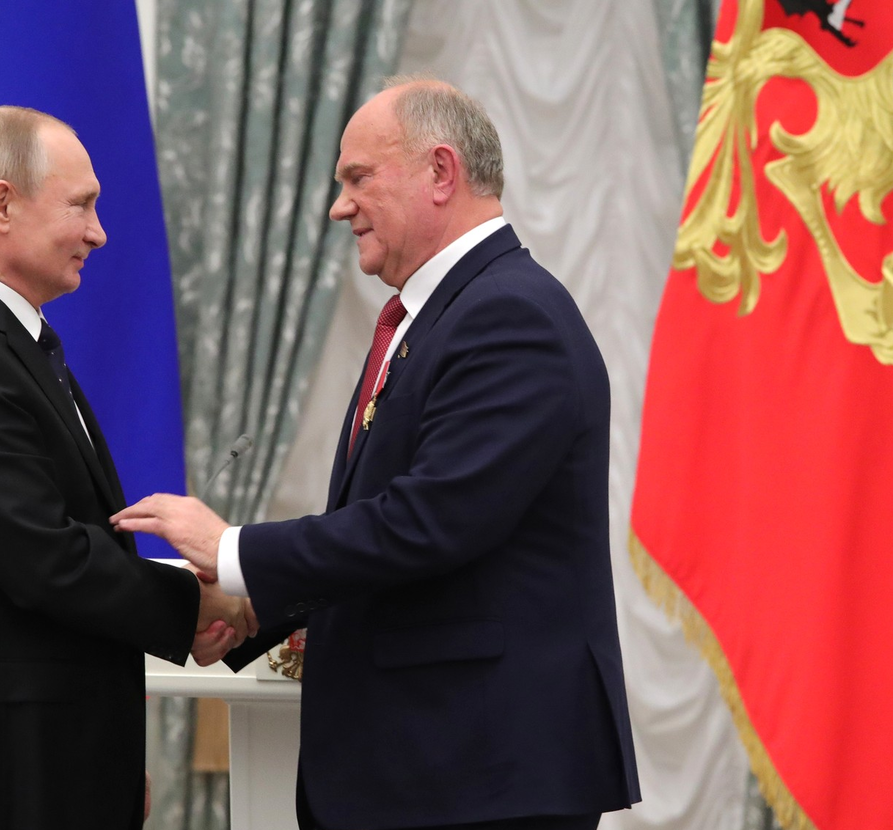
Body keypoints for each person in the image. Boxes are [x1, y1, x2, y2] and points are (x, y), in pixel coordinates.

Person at [112, 80, 642, 830]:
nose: (339, 206)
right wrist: (254, 607)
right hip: (440, 767)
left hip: (482, 775)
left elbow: (428, 524)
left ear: (440, 172)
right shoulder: (440, 315)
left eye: (358, 178)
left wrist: (231, 550)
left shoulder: (508, 316)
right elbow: (396, 538)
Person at [0, 106, 253, 830]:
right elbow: (46, 560)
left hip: (34, 759)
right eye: (81, 205)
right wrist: (198, 604)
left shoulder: (8, 343)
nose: (99, 232)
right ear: (1, 205)